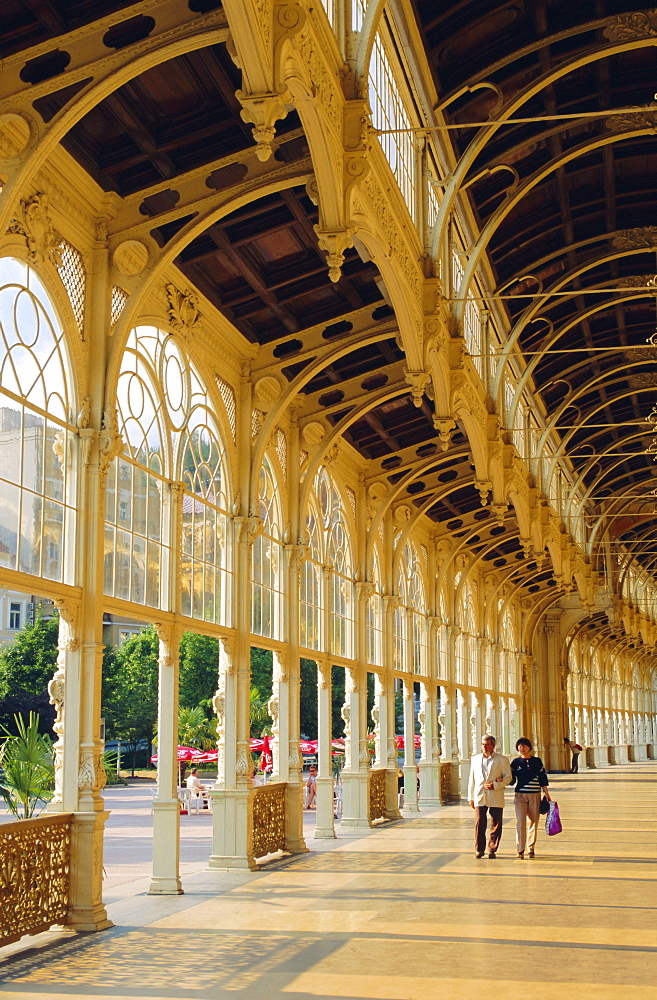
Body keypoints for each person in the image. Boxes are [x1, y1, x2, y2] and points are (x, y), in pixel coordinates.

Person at [467, 735, 512, 859]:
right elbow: (472, 779)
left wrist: (496, 784)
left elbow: (508, 777)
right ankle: (479, 849)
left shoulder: (502, 760)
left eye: (487, 744)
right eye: (482, 744)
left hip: (495, 795)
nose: (484, 747)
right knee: (479, 822)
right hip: (480, 795)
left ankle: (492, 848)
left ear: (493, 745)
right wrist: (470, 797)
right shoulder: (475, 759)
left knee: (496, 823)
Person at [510, 738, 551, 858]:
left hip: (535, 795)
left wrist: (546, 793)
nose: (522, 748)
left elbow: (542, 777)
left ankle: (531, 848)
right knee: (520, 821)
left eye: (524, 746)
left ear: (529, 747)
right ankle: (520, 849)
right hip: (520, 795)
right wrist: (502, 780)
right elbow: (511, 780)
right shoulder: (515, 762)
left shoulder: (537, 761)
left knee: (533, 821)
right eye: (520, 746)